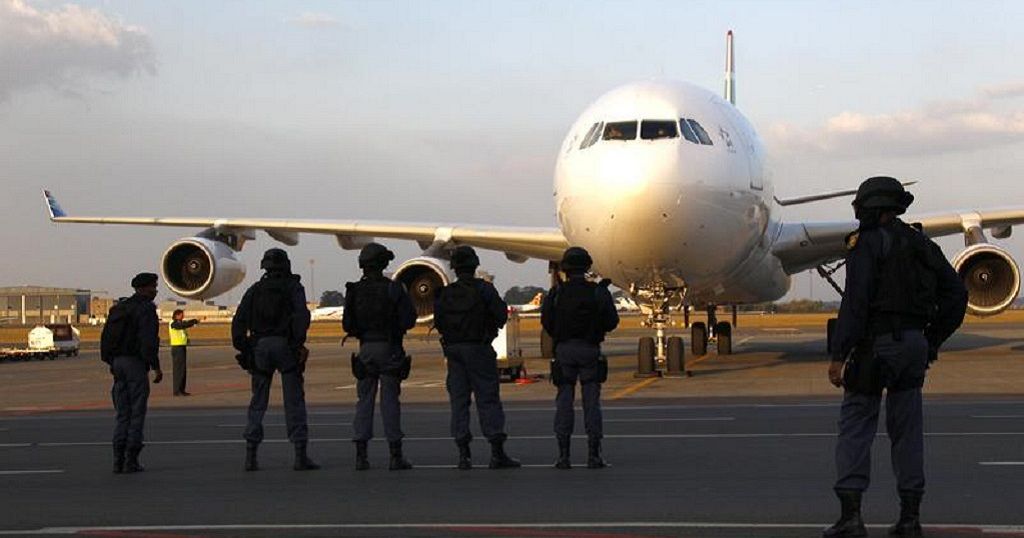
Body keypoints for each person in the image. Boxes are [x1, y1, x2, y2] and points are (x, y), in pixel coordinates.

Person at [823, 177, 967, 538]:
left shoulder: (866, 243)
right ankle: (909, 519)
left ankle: (851, 518)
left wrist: (839, 355)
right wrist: (930, 340)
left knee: (856, 426)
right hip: (913, 346)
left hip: (875, 347)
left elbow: (855, 304)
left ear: (871, 208)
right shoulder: (921, 243)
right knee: (907, 433)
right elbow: (957, 294)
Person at [433, 245, 520, 470]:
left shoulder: (445, 293)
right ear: (474, 266)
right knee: (488, 399)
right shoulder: (484, 290)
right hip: (479, 349)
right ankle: (496, 452)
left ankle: (464, 455)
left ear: (454, 267)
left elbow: (439, 322)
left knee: (459, 402)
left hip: (454, 351)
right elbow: (500, 315)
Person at [232, 248, 319, 472]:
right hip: (285, 346)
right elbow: (301, 317)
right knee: (294, 402)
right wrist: (297, 344)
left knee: (258, 402)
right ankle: (300, 454)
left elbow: (239, 321)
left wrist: (246, 348)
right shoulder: (293, 288)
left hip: (260, 346)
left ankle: (251, 454)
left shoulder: (255, 290)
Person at [541, 246, 619, 469]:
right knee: (591, 403)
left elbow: (546, 322)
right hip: (589, 349)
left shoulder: (556, 293)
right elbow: (612, 322)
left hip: (564, 349)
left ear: (565, 267)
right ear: (587, 267)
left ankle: (563, 456)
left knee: (564, 402)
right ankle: (594, 455)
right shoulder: (597, 292)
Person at [342, 243, 417, 470]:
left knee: (364, 401)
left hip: (366, 348)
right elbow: (409, 320)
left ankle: (361, 455)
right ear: (383, 263)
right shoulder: (394, 288)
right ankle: (395, 455)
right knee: (390, 402)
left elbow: (348, 324)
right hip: (389, 348)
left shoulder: (354, 290)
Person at [101, 272, 163, 474]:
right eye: (153, 287)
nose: (155, 291)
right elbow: (148, 340)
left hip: (117, 363)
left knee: (122, 413)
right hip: (134, 363)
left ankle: (117, 459)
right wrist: (155, 366)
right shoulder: (145, 309)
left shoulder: (120, 308)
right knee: (136, 412)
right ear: (143, 288)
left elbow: (106, 339)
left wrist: (112, 362)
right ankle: (131, 459)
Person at [169, 309, 199, 396]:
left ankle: (182, 389)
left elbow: (184, 325)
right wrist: (193, 321)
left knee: (182, 370)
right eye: (181, 315)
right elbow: (183, 325)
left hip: (182, 347)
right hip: (177, 348)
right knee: (178, 370)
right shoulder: (173, 323)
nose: (183, 316)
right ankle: (177, 390)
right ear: (176, 315)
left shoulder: (180, 323)